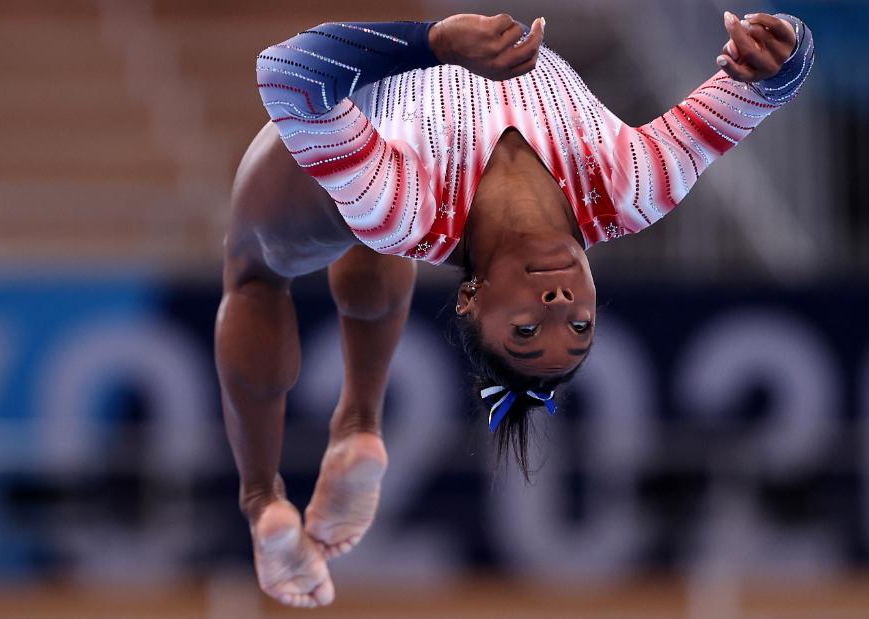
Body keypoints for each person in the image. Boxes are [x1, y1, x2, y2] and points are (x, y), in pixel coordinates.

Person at [216, 9, 813, 608]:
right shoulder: (634, 187)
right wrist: (783, 54)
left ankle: (262, 501)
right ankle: (358, 428)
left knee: (255, 273)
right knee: (374, 244)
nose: (557, 303)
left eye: (528, 329)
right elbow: (764, 90)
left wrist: (433, 42)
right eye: (578, 324)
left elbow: (285, 74)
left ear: (470, 300)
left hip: (365, 154)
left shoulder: (407, 204)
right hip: (381, 159)